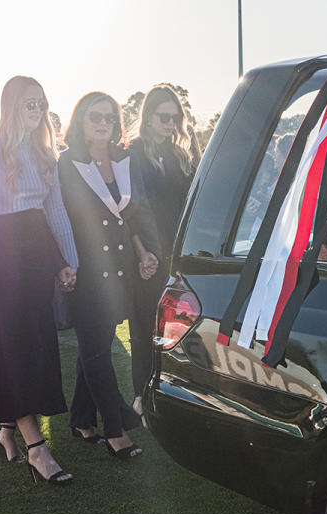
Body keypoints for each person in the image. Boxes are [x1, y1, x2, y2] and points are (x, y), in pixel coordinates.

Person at [0, 75, 78, 483]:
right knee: (14, 341)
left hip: (37, 253)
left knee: (30, 340)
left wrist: (68, 260)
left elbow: (57, 212)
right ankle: (37, 448)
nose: (38, 110)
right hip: (0, 256)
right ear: (11, 105)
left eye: (42, 103)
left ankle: (6, 430)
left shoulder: (46, 154)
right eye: (30, 103)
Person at [58, 91, 160, 457]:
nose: (104, 123)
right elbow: (61, 219)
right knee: (97, 350)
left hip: (120, 268)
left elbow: (131, 215)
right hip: (85, 269)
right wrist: (63, 262)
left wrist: (145, 252)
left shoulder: (123, 160)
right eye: (95, 117)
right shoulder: (66, 163)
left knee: (97, 343)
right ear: (80, 122)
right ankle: (115, 430)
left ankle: (81, 418)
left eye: (109, 118)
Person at [127, 84, 199, 416]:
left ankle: (168, 393)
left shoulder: (179, 154)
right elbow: (126, 211)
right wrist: (141, 252)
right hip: (146, 254)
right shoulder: (132, 153)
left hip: (177, 253)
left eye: (175, 117)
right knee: (145, 329)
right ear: (148, 116)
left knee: (174, 329)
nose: (171, 123)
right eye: (164, 117)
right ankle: (142, 397)